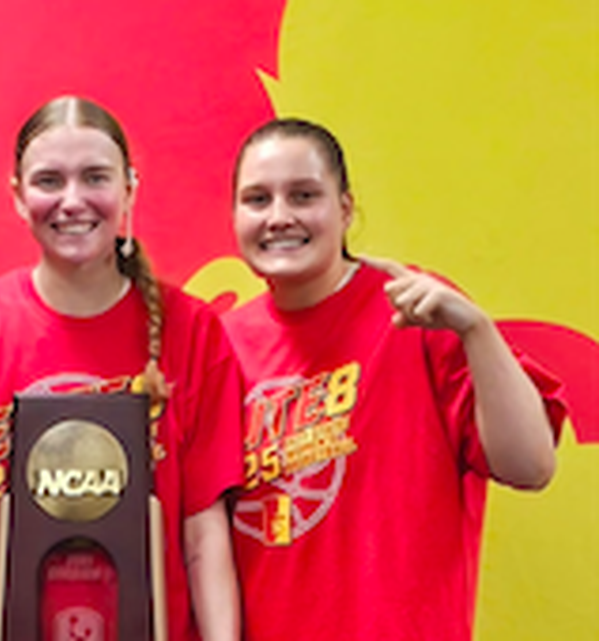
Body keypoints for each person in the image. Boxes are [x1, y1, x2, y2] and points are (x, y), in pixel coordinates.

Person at [221, 117, 567, 640]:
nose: (280, 217)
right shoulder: (219, 346)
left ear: (345, 209)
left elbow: (531, 466)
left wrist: (476, 330)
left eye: (304, 195)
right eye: (257, 199)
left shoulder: (417, 311)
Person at [0, 96, 243, 641]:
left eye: (95, 178)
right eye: (49, 181)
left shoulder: (194, 330)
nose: (72, 202)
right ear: (18, 196)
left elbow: (204, 536)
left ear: (129, 189)